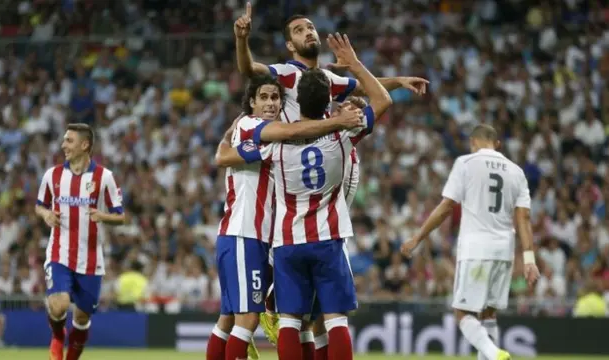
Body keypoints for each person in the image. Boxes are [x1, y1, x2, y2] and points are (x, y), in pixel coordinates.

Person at [234, 5, 428, 357]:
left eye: (311, 27)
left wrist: (398, 80)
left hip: (294, 186)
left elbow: (359, 84)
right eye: (299, 30)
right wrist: (242, 40)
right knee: (330, 313)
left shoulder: (323, 82)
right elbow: (251, 70)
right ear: (290, 45)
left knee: (302, 316)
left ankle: (282, 298)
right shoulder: (288, 75)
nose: (309, 32)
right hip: (325, 175)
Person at [206, 74, 363, 360]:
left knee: (231, 317)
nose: (270, 103)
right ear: (251, 102)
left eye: (275, 97)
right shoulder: (255, 126)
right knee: (247, 320)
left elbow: (226, 153)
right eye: (263, 97)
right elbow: (225, 157)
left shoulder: (267, 136)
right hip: (245, 233)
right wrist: (339, 121)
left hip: (263, 237)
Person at [400, 124, 541, 360]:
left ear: (473, 142)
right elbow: (524, 218)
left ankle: (493, 353)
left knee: (462, 312)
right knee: (488, 314)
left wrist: (418, 237)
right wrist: (529, 259)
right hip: (503, 251)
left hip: (475, 249)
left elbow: (446, 208)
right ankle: (491, 353)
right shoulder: (517, 172)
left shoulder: (465, 164)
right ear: (497, 144)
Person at [35, 123, 126, 360]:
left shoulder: (104, 177)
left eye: (69, 141)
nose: (63, 145)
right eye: (64, 140)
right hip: (59, 253)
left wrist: (102, 216)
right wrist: (46, 215)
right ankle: (56, 337)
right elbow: (40, 205)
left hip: (91, 260)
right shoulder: (52, 175)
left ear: (84, 145)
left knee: (82, 318)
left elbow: (121, 215)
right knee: (59, 305)